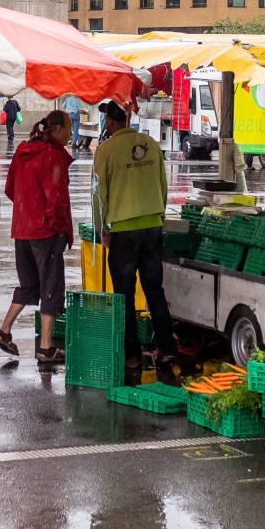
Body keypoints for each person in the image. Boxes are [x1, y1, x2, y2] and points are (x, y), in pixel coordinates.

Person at [92, 101, 172, 383]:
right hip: (152, 227)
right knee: (154, 291)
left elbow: (99, 194)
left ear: (110, 123)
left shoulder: (105, 150)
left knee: (124, 295)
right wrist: (158, 217)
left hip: (123, 232)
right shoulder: (150, 143)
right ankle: (166, 349)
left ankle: (132, 356)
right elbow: (163, 186)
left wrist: (102, 228)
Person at [0, 110, 73, 367]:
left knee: (29, 284)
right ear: (58, 130)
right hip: (45, 232)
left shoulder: (23, 152)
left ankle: (4, 330)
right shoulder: (53, 157)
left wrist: (25, 209)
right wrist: (59, 228)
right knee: (51, 287)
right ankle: (46, 347)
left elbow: (10, 188)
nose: (72, 134)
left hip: (22, 229)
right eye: (69, 128)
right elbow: (56, 199)